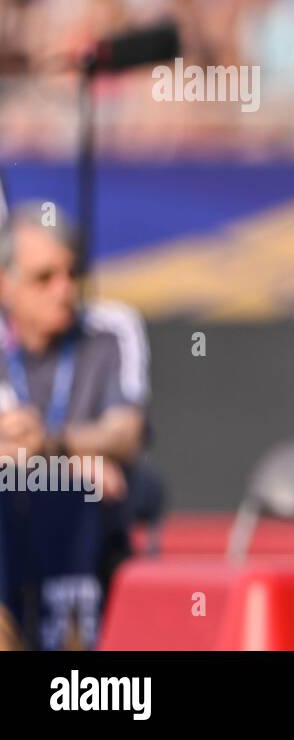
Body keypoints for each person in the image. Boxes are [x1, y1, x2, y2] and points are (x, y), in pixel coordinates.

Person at [0, 201, 151, 649]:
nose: (64, 289)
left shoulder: (110, 328)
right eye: (44, 278)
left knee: (80, 491)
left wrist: (54, 448)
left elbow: (126, 433)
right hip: (15, 495)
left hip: (95, 495)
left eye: (71, 273)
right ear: (6, 285)